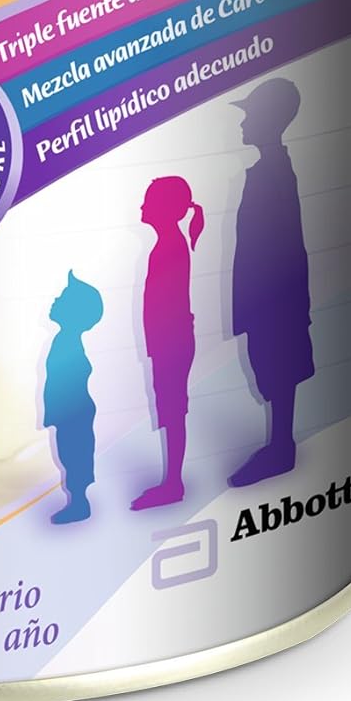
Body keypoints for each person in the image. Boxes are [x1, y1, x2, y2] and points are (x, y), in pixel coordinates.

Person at [228, 77, 315, 486]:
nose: (243, 123)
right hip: (270, 298)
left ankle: (281, 449)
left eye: (249, 115)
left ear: (268, 119)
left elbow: (280, 245)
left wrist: (266, 305)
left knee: (277, 368)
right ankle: (281, 446)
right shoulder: (270, 170)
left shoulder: (271, 174)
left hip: (272, 300)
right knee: (272, 369)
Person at [132, 175, 204, 510]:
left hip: (172, 343)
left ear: (163, 208)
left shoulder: (170, 247)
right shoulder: (168, 244)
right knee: (172, 409)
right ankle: (172, 480)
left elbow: (167, 303)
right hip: (170, 342)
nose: (142, 207)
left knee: (173, 410)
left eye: (148, 201)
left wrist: (160, 345)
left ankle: (174, 483)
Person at [40, 271, 103, 524]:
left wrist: (58, 412)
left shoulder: (67, 344)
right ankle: (78, 501)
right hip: (70, 413)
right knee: (70, 455)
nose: (56, 299)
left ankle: (79, 503)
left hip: (74, 414)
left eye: (63, 297)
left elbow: (68, 381)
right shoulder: (64, 341)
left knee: (75, 456)